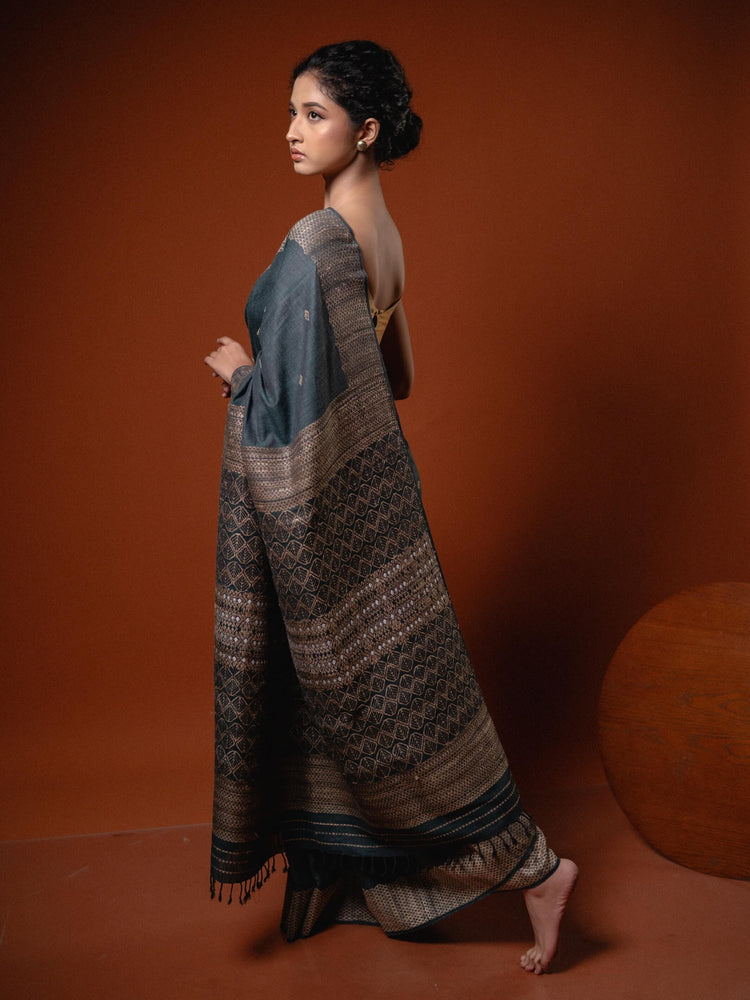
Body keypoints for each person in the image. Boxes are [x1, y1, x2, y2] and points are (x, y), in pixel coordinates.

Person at [204, 40, 577, 975]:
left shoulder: (319, 239)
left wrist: (246, 380)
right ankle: (356, 876)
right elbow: (396, 379)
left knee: (377, 706)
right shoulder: (385, 236)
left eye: (314, 115)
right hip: (383, 508)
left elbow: (296, 414)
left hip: (337, 522)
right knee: (371, 700)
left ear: (364, 129)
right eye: (289, 113)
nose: (292, 133)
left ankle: (538, 870)